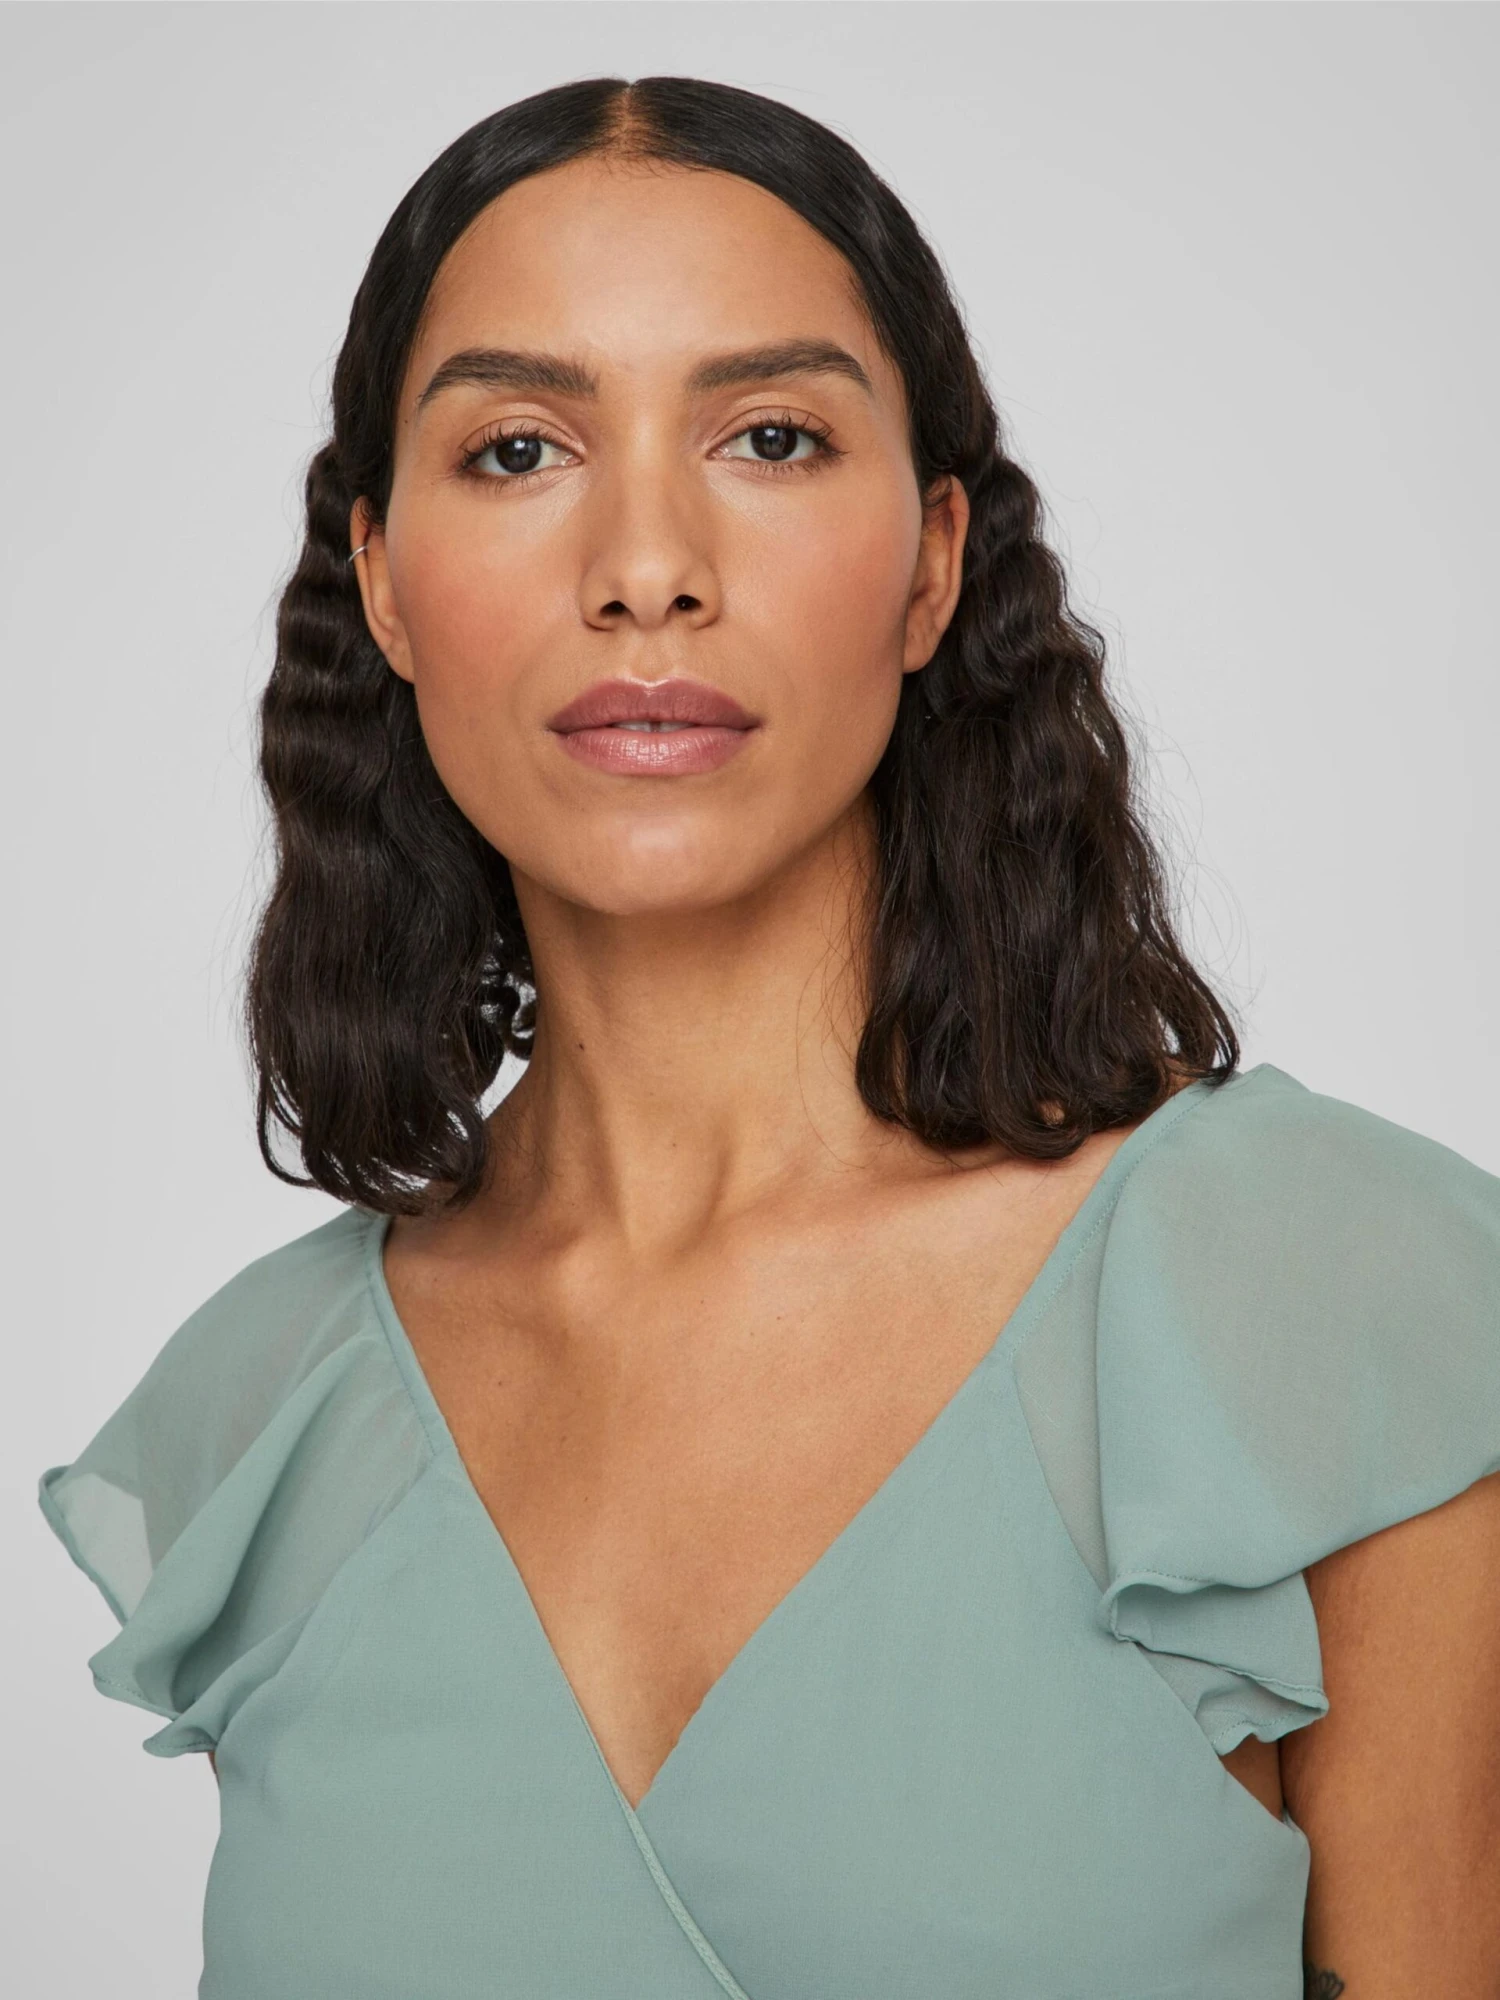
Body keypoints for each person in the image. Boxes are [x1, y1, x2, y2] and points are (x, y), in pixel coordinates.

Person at [37, 75, 1500, 2000]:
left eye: (771, 436)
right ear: (381, 578)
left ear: (933, 561)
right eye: (518, 450)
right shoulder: (268, 1417)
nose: (648, 565)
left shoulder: (1331, 1300)